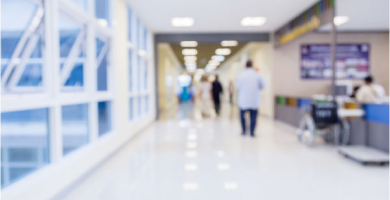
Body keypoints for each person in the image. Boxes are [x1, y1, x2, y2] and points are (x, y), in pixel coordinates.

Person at [236, 60, 265, 137]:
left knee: (242, 116)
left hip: (243, 100)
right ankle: (252, 132)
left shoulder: (241, 75)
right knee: (253, 117)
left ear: (245, 66)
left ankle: (244, 130)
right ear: (252, 65)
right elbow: (262, 85)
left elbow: (237, 87)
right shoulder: (257, 74)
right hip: (254, 100)